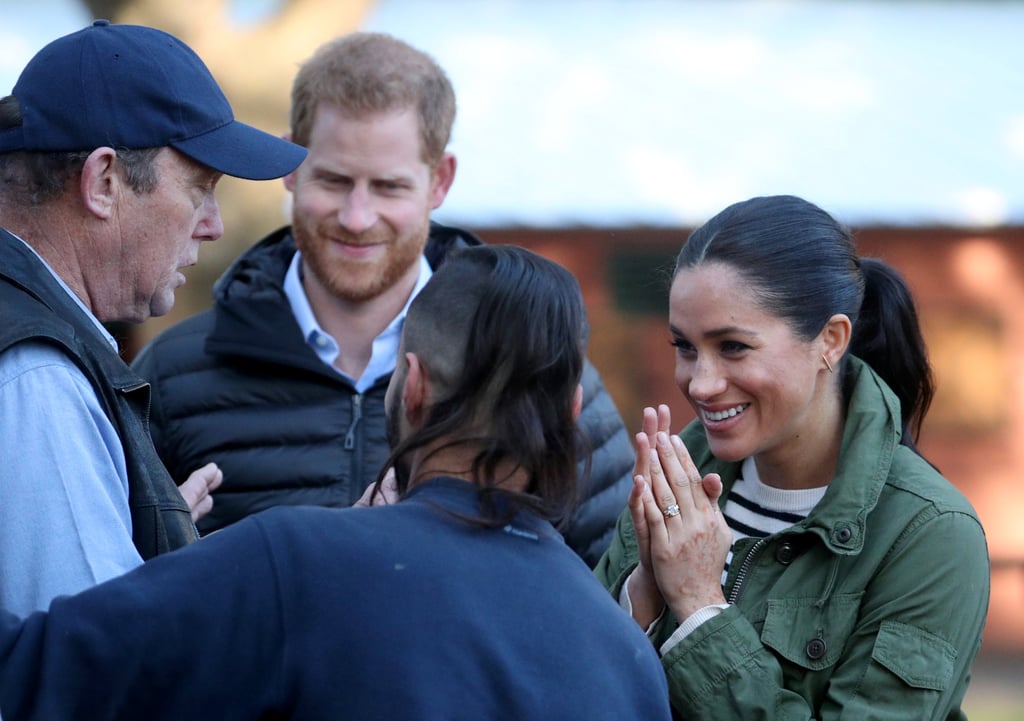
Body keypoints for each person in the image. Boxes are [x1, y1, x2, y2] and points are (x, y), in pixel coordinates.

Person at [0, 245, 673, 721]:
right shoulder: (622, 651)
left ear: (411, 387)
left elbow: (39, 669)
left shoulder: (294, 564)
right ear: (572, 412)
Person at [129, 31, 635, 566]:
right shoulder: (170, 377)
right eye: (334, 180)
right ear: (292, 169)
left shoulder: (540, 369)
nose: (356, 217)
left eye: (388, 187)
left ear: (440, 180)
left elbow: (609, 597)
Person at [593, 195, 990, 720]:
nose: (701, 383)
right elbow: (566, 690)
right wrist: (643, 593)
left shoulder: (929, 533)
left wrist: (696, 608)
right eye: (685, 347)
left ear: (830, 340)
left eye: (733, 346)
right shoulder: (676, 476)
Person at [0, 21, 307, 616]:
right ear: (105, 182)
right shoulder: (37, 376)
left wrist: (149, 554)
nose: (213, 224)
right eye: (200, 188)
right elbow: (90, 674)